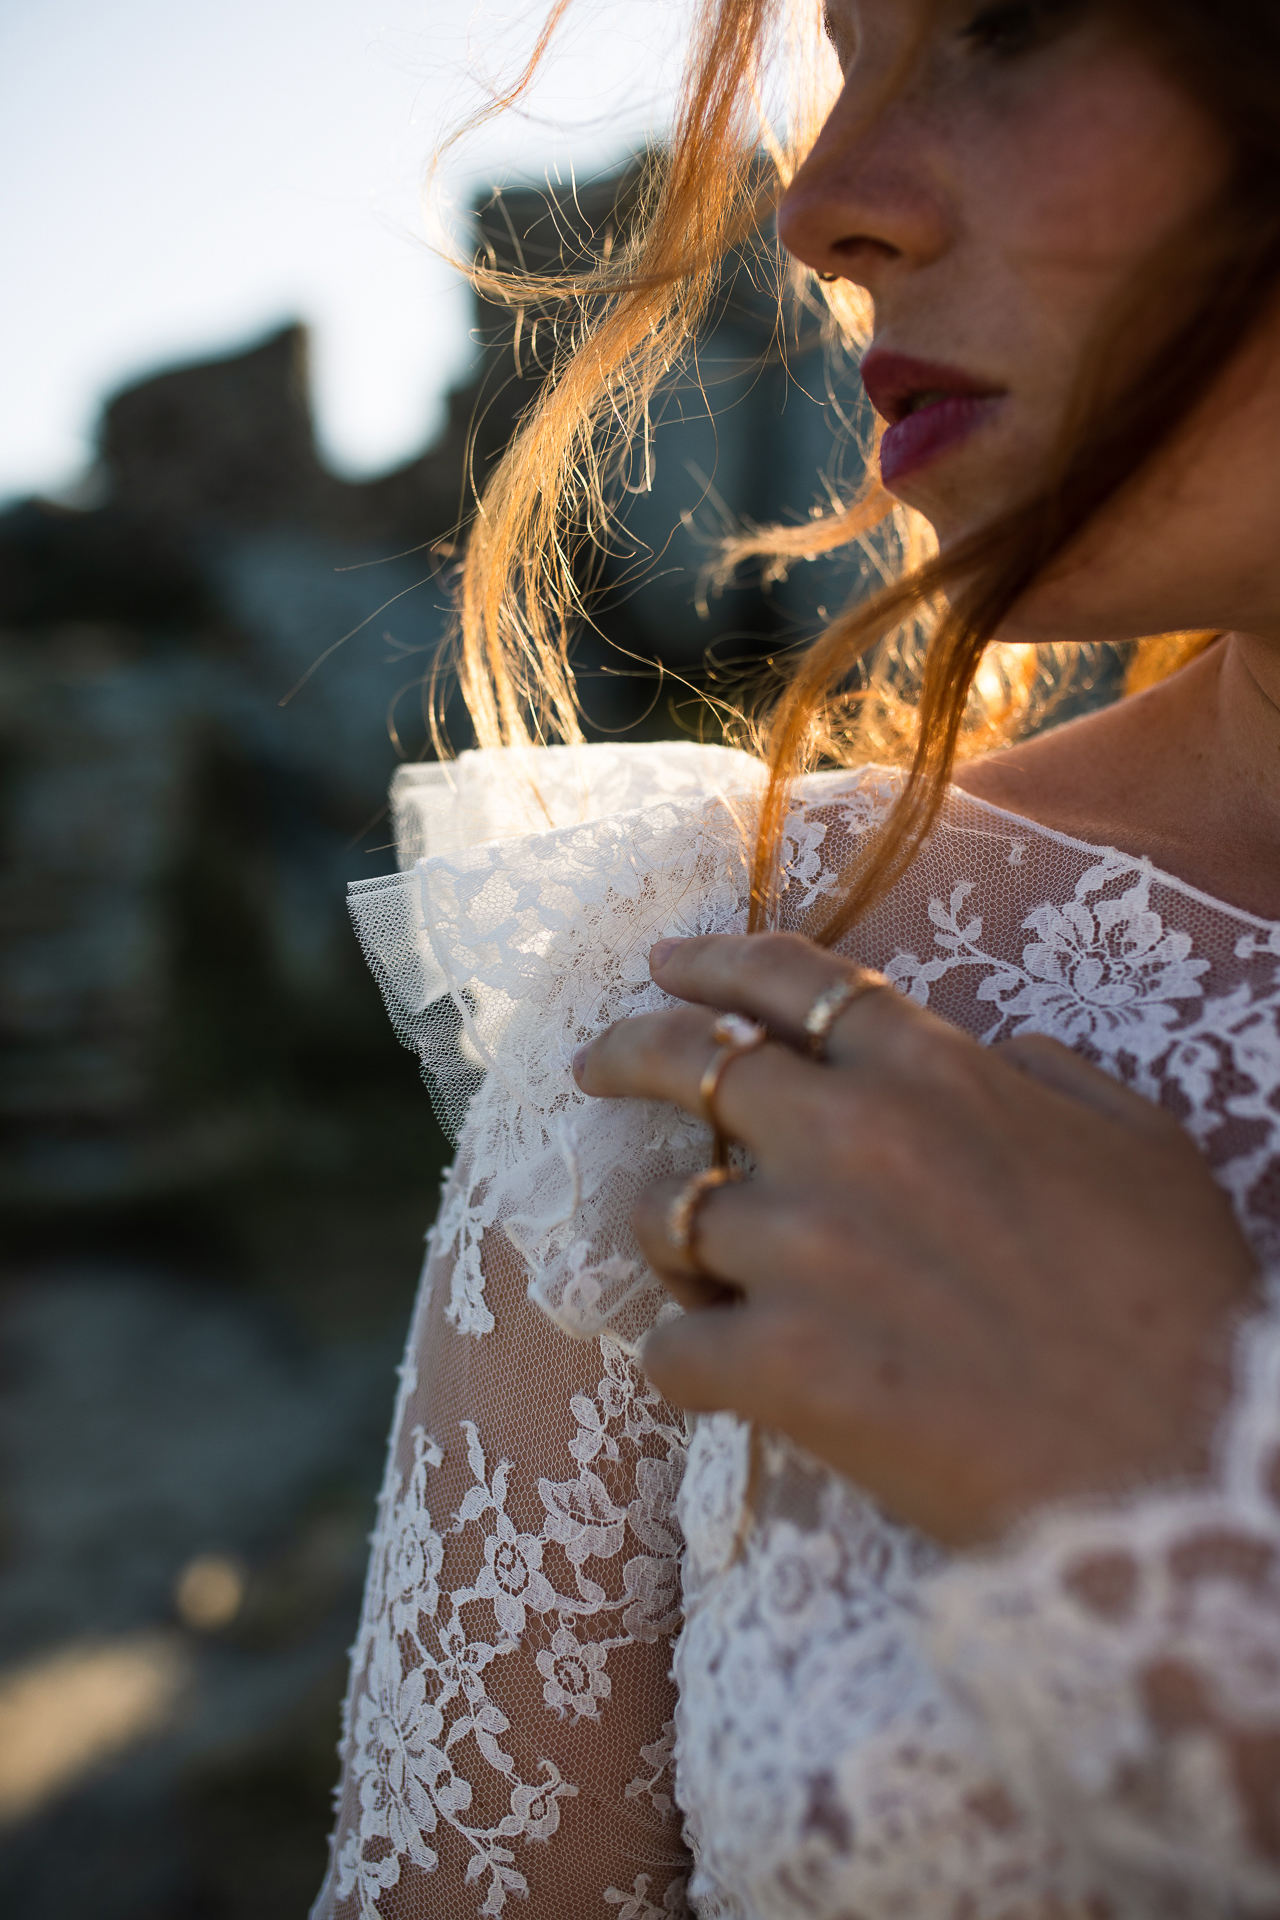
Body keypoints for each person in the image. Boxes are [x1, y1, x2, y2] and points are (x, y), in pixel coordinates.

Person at [313, 1, 1280, 1914]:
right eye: (844, 55)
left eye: (1001, 25)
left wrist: (1180, 1503)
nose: (818, 210)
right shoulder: (728, 972)